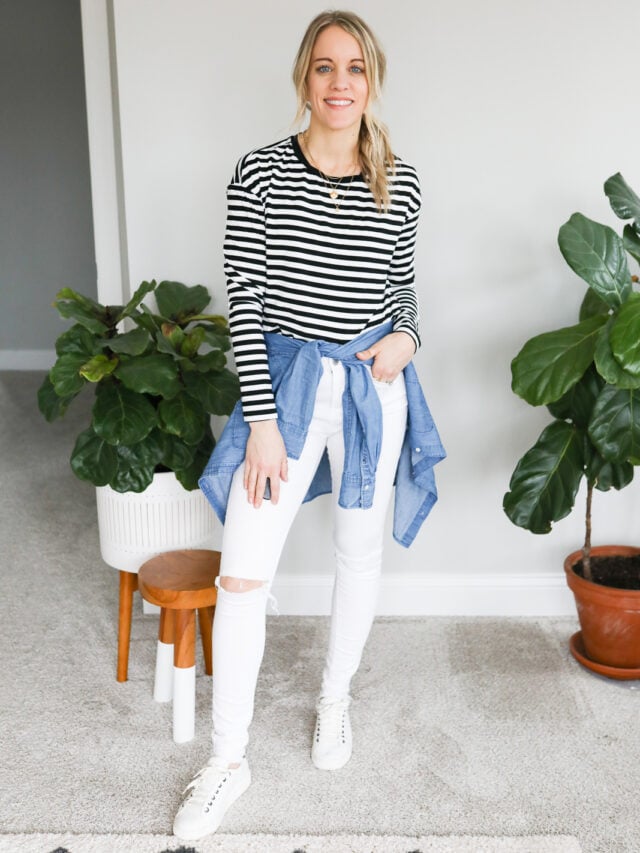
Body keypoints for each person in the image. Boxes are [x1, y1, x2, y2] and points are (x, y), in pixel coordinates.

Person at [172, 9, 444, 841]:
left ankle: (334, 701)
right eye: (324, 67)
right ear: (304, 78)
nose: (339, 83)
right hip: (286, 386)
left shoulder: (399, 177)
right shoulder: (257, 172)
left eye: (354, 68)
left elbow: (401, 290)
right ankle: (227, 760)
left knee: (357, 550)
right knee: (244, 572)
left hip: (372, 387)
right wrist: (260, 421)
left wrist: (406, 336)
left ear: (373, 79)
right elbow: (244, 303)